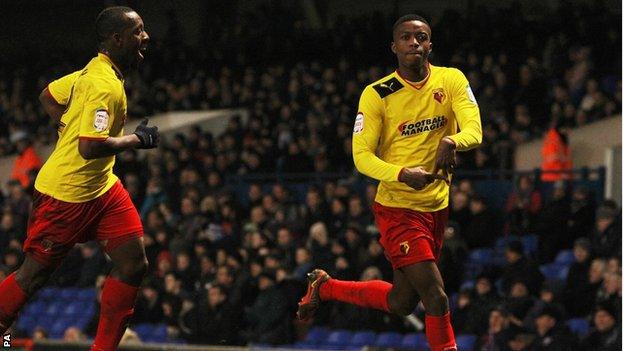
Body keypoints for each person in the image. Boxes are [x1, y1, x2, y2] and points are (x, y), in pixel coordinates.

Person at [297, 14, 482, 351]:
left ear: (430, 45)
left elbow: (474, 128)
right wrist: (401, 174)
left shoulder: (451, 79)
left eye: (422, 37)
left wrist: (452, 141)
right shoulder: (377, 94)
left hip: (437, 206)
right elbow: (361, 156)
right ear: (394, 46)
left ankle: (324, 287)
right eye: (407, 37)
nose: (415, 42)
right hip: (398, 208)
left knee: (401, 302)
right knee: (436, 296)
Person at [0, 7, 158, 351]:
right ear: (117, 39)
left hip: (102, 189)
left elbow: (48, 95)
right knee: (33, 276)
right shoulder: (104, 85)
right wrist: (137, 139)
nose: (145, 37)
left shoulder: (97, 69)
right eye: (138, 31)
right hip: (65, 195)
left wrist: (65, 127)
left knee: (133, 264)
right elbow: (89, 147)